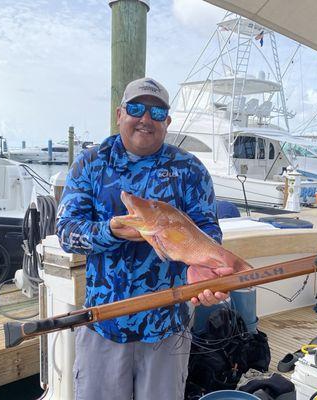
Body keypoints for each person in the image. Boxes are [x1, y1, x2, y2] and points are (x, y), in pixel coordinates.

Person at [56, 77, 229, 400]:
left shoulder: (190, 170)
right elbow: (66, 232)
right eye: (136, 108)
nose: (145, 119)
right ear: (120, 113)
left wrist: (204, 271)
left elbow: (208, 233)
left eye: (157, 112)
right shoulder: (91, 164)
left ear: (167, 122)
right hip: (103, 325)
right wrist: (109, 231)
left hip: (167, 328)